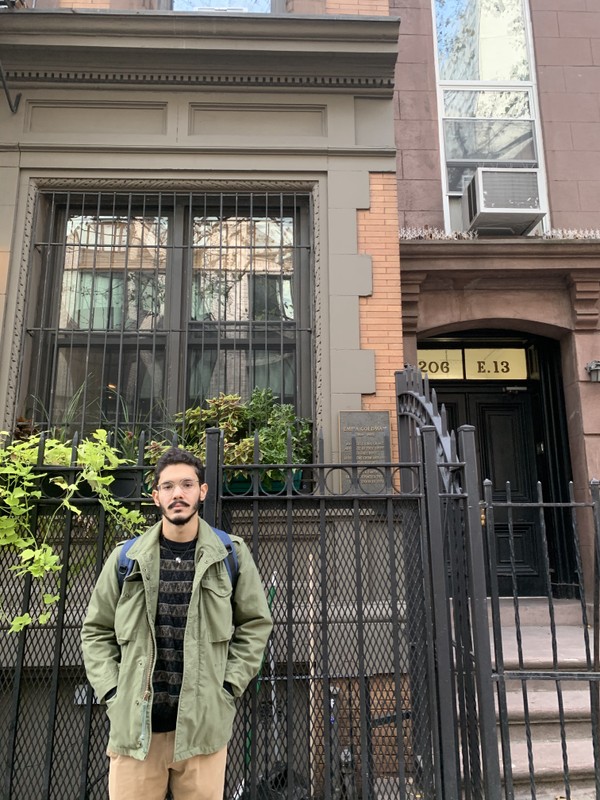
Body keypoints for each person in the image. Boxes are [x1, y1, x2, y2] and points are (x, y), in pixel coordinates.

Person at [81, 446, 273, 800]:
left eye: (187, 485)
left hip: (202, 733)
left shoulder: (231, 555)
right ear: (156, 497)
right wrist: (112, 692)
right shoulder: (125, 559)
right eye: (168, 487)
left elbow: (255, 624)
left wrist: (228, 689)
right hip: (136, 732)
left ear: (202, 491)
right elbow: (96, 631)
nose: (178, 494)